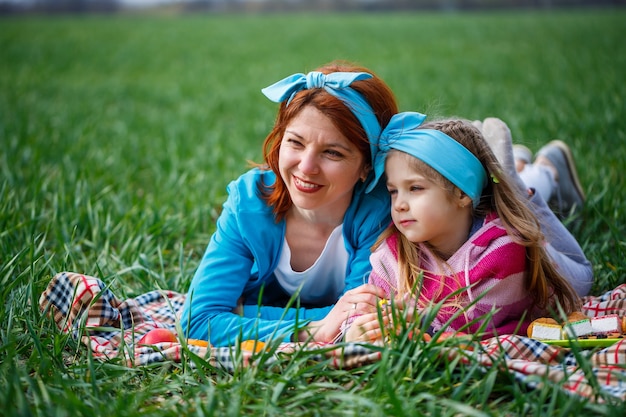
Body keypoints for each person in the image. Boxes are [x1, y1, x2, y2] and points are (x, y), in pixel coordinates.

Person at [180, 61, 398, 347]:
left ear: (367, 167)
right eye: (295, 142)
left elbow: (361, 320)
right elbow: (198, 321)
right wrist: (311, 329)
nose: (306, 167)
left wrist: (244, 314)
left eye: (332, 153)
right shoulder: (249, 203)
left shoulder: (380, 213)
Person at [342, 114, 581, 343]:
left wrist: (414, 322)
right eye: (394, 191)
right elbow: (368, 305)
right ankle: (517, 166)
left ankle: (540, 172)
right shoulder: (394, 253)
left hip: (557, 261)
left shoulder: (505, 249)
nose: (400, 205)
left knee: (582, 277)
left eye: (415, 188)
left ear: (462, 193)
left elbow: (478, 323)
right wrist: (356, 328)